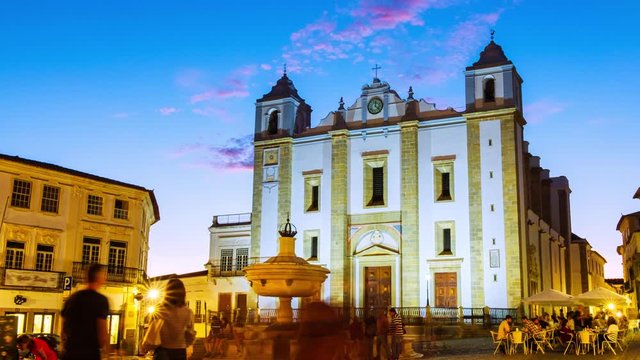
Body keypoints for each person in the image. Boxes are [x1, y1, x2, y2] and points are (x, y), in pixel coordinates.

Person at [61, 263, 110, 360]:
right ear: (99, 277)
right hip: (89, 353)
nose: (105, 278)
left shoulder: (72, 298)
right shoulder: (100, 300)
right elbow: (102, 333)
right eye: (104, 275)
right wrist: (106, 351)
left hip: (70, 353)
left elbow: (63, 330)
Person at [153, 278, 196, 360]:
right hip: (180, 351)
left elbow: (153, 330)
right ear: (183, 293)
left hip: (162, 351)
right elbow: (190, 335)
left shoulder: (159, 310)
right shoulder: (188, 312)